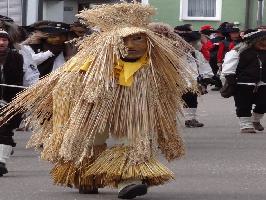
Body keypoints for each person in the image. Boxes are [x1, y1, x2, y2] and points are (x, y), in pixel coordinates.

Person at [0, 3, 195, 199]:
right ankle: (86, 177)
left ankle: (128, 180)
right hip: (94, 108)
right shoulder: (90, 64)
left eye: (138, 39)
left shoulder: (153, 68)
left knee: (132, 139)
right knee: (92, 140)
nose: (131, 45)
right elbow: (65, 84)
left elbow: (167, 93)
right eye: (124, 40)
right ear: (111, 42)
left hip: (130, 111)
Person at [221, 29, 266, 133]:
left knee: (263, 104)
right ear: (255, 40)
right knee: (243, 105)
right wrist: (231, 80)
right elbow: (228, 66)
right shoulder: (238, 51)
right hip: (243, 83)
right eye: (263, 40)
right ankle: (246, 125)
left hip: (263, 83)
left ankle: (255, 120)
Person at [0, 25, 23, 176]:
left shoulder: (17, 57)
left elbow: (27, 75)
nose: (1, 42)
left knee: (5, 131)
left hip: (10, 100)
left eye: (4, 40)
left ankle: (1, 162)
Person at [178, 31, 214, 128]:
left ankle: (190, 119)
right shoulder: (175, 53)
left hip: (192, 82)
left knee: (192, 99)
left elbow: (204, 66)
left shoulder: (196, 54)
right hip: (177, 81)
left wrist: (205, 81)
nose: (199, 44)